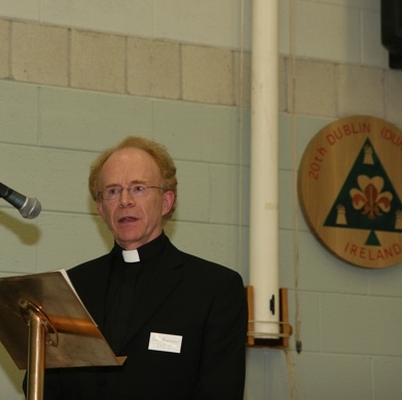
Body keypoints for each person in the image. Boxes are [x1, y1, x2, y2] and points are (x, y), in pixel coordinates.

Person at [35, 136, 247, 399]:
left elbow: (221, 390)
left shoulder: (214, 289)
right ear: (101, 209)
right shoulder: (71, 288)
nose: (125, 200)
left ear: (166, 202)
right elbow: (42, 386)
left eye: (138, 188)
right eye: (113, 191)